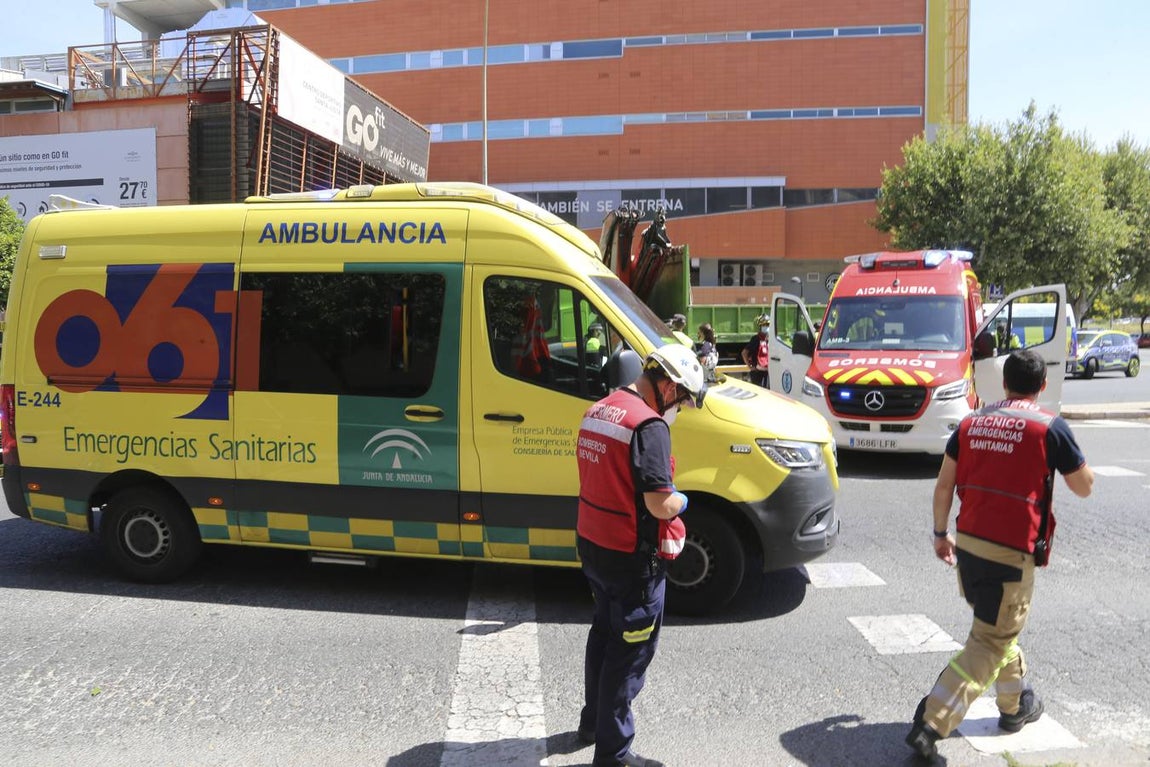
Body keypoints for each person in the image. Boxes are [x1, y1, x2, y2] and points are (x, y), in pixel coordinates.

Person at [905, 349, 1094, 760]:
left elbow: (943, 487)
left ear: (1003, 383)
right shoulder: (1049, 427)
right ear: (1042, 386)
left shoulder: (971, 422)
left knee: (995, 629)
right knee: (991, 639)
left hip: (969, 547)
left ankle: (1015, 706)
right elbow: (1083, 486)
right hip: (1011, 555)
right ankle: (930, 722)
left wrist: (940, 534)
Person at [575, 343, 707, 767]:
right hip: (631, 556)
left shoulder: (600, 409)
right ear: (666, 384)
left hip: (593, 544)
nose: (680, 409)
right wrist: (683, 501)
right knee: (629, 652)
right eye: (682, 399)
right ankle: (613, 754)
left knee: (602, 633)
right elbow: (658, 504)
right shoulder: (648, 426)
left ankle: (592, 723)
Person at [741, 314, 770, 387]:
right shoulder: (755, 339)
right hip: (757, 373)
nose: (766, 326)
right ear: (760, 326)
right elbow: (744, 353)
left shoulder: (771, 339)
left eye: (767, 324)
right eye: (764, 325)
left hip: (768, 372)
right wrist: (750, 366)